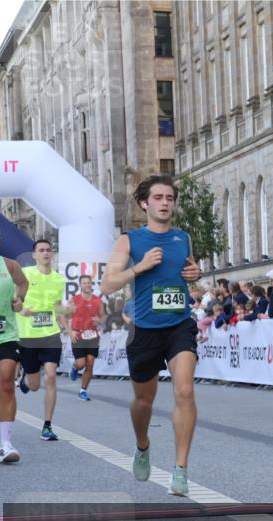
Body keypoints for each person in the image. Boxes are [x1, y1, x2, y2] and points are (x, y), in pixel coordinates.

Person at [99, 174, 202, 496]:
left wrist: (195, 274)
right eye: (158, 198)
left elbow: (190, 273)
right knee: (144, 401)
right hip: (144, 329)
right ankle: (142, 444)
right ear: (144, 203)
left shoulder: (182, 237)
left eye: (169, 198)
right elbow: (107, 285)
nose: (165, 203)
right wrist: (138, 268)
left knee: (184, 390)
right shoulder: (128, 241)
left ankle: (180, 469)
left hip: (179, 325)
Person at [0, 221, 28, 463]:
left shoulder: (10, 266)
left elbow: (23, 283)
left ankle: (6, 444)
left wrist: (18, 299)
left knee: (7, 383)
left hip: (5, 335)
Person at [15, 239, 68, 440]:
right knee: (35, 385)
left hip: (50, 334)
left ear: (51, 254)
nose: (46, 253)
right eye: (41, 250)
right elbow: (14, 300)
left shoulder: (58, 279)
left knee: (52, 376)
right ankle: (26, 381)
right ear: (34, 255)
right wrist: (21, 309)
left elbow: (57, 305)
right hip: (28, 335)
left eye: (48, 250)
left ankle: (47, 426)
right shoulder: (25, 275)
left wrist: (66, 325)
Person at [68, 274, 105, 401]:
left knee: (90, 364)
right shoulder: (73, 300)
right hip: (78, 335)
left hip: (93, 336)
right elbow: (64, 317)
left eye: (89, 283)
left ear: (91, 284)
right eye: (84, 283)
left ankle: (83, 390)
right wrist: (70, 332)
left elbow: (104, 317)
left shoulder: (97, 300)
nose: (87, 285)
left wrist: (99, 320)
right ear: (80, 285)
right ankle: (74, 368)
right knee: (81, 363)